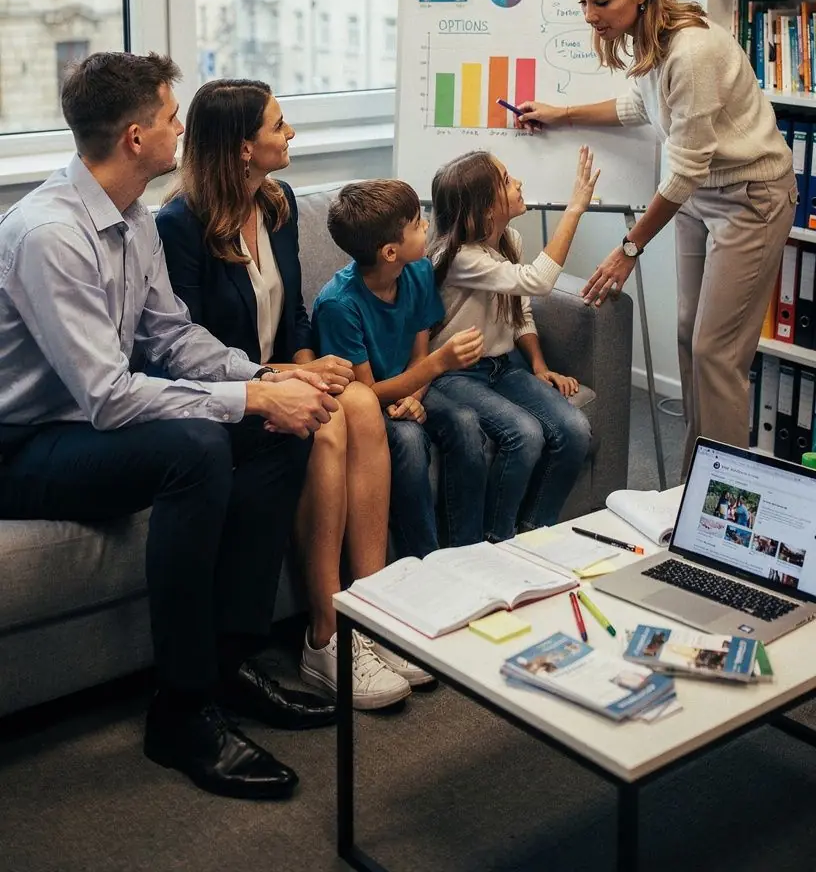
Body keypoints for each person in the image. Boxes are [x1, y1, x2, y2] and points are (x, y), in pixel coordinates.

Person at [0, 52, 341, 802]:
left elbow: (172, 338)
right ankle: (181, 711)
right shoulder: (49, 235)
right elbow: (109, 397)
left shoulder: (135, 219)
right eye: (167, 115)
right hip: (21, 445)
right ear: (132, 138)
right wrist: (248, 401)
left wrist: (268, 379)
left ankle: (229, 660)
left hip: (81, 422)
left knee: (288, 427)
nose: (180, 127)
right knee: (195, 447)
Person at [156, 79, 422, 710]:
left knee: (355, 398)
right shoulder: (178, 226)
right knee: (329, 418)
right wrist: (287, 378)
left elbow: (296, 312)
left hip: (281, 371)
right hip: (228, 396)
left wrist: (311, 363)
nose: (291, 133)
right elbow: (186, 348)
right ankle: (325, 636)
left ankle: (370, 614)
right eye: (278, 125)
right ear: (241, 148)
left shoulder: (279, 204)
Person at [518, 0, 796, 474]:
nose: (590, 15)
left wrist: (629, 247)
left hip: (750, 198)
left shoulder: (691, 51)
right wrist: (563, 112)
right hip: (702, 197)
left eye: (602, 2)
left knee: (717, 354)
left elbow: (686, 168)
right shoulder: (651, 39)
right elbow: (637, 106)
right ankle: (698, 478)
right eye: (583, 1)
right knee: (690, 338)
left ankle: (723, 496)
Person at [312, 180, 488, 559]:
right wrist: (438, 366)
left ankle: (469, 552)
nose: (426, 225)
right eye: (416, 223)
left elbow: (418, 353)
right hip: (366, 407)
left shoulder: (419, 270)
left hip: (410, 388)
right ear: (391, 251)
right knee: (408, 441)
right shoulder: (339, 305)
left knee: (465, 422)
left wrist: (415, 394)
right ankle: (423, 560)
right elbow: (366, 394)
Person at [426, 148, 596, 539]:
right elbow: (538, 281)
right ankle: (497, 539)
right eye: (505, 180)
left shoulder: (510, 239)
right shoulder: (461, 258)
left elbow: (520, 311)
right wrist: (573, 211)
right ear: (483, 209)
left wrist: (538, 364)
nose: (517, 182)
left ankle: (533, 530)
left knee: (574, 429)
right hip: (455, 375)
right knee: (525, 434)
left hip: (503, 366)